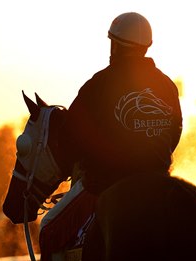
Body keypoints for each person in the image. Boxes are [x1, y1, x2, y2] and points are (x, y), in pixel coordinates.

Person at [60, 12, 182, 195]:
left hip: (107, 185)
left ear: (115, 45)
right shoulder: (167, 84)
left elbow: (71, 132)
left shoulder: (99, 83)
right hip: (160, 179)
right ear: (146, 47)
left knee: (50, 222)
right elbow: (175, 131)